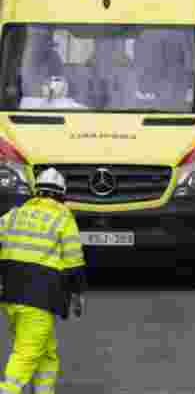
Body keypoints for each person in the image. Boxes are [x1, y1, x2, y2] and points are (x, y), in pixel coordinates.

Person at [0, 168, 86, 394]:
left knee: (46, 352)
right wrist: (78, 295)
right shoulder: (63, 218)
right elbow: (74, 261)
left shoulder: (14, 214)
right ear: (62, 195)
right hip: (40, 297)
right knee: (26, 354)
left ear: (36, 193)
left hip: (11, 295)